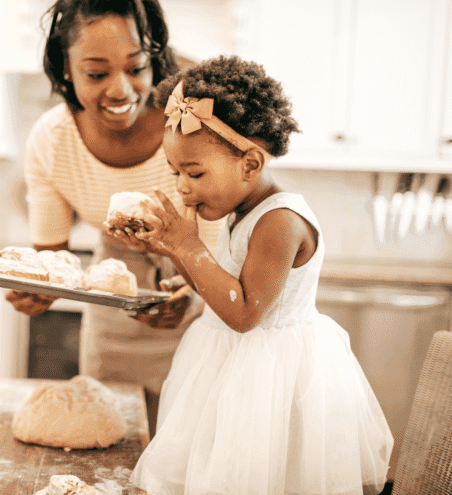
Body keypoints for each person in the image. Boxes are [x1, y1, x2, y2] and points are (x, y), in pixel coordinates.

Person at [108, 55, 394, 494]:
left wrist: (186, 244)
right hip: (228, 368)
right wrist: (171, 252)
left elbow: (245, 313)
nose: (182, 186)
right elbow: (228, 282)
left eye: (195, 172)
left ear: (251, 164)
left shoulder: (279, 221)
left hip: (272, 380)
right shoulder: (240, 209)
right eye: (175, 173)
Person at [4, 0, 223, 434]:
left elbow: (229, 238)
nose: (120, 89)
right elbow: (53, 260)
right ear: (67, 69)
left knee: (190, 452)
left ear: (154, 59)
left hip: (211, 301)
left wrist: (195, 294)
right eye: (97, 73)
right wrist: (36, 291)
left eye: (136, 67)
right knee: (113, 443)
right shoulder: (53, 141)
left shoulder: (193, 125)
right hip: (114, 308)